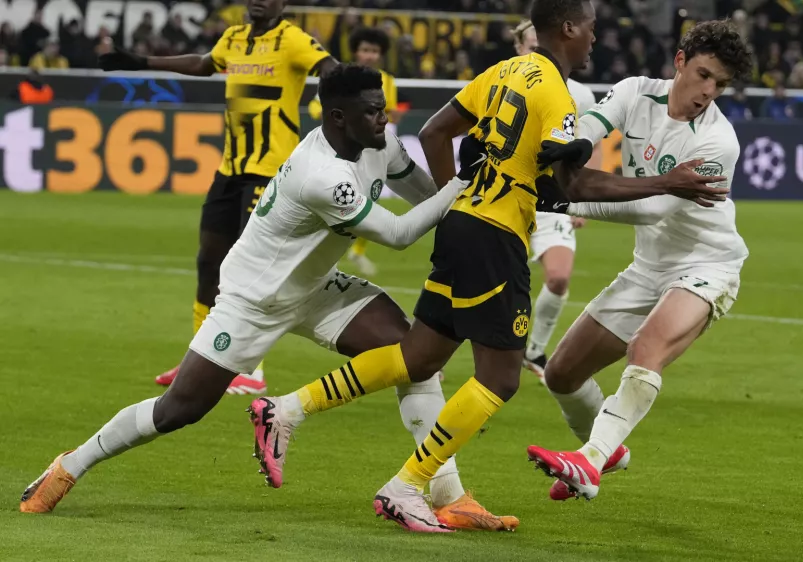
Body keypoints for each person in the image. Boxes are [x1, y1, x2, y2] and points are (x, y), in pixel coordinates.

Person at [248, 0, 731, 533]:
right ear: (568, 28)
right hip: (497, 237)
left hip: (461, 224)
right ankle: (408, 484)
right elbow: (571, 184)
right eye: (591, 26)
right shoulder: (556, 92)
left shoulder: (504, 71)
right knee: (501, 378)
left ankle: (287, 408)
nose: (596, 37)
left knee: (418, 355)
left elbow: (434, 132)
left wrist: (453, 201)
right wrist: (662, 181)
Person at [20, 66, 515, 533]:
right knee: (179, 409)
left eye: (382, 108)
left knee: (415, 360)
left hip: (317, 287)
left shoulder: (378, 142)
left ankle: (449, 498)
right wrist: (461, 182)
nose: (384, 119)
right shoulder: (320, 175)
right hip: (253, 299)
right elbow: (402, 232)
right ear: (337, 117)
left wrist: (467, 197)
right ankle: (69, 465)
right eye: (371, 111)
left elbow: (425, 195)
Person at [525, 20, 754, 502]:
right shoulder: (634, 93)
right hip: (648, 268)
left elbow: (649, 207)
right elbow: (588, 128)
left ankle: (586, 463)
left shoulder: (718, 142)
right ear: (680, 62)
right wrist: (572, 147)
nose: (708, 92)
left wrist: (563, 200)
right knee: (562, 373)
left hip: (706, 265)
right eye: (704, 75)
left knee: (646, 348)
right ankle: (605, 450)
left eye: (720, 84)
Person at [98, 0, 340, 395]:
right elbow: (203, 63)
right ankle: (198, 358)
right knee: (208, 262)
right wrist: (138, 61)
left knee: (247, 270)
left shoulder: (293, 40)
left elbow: (330, 70)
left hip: (270, 172)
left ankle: (251, 366)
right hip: (229, 170)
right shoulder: (234, 37)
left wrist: (331, 109)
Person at [511, 18, 603, 382]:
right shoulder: (504, 80)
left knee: (560, 279)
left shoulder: (580, 94)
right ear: (519, 48)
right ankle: (430, 356)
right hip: (509, 197)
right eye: (530, 44)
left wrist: (580, 194)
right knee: (478, 280)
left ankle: (534, 350)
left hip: (553, 203)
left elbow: (590, 145)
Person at [310, 26, 398, 278]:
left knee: (369, 200)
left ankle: (356, 251)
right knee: (335, 197)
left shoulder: (387, 81)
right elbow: (316, 106)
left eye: (374, 51)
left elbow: (385, 113)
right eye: (365, 50)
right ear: (356, 52)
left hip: (372, 150)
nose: (369, 55)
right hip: (342, 150)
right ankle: (324, 248)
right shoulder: (341, 78)